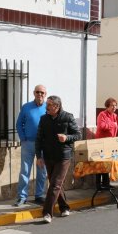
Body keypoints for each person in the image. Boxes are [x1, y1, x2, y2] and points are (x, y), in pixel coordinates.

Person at [35, 96, 81, 224]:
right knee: (56, 183)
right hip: (49, 156)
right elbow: (39, 139)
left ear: (57, 106)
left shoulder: (68, 117)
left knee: (54, 184)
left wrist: (66, 138)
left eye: (49, 105)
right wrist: (39, 156)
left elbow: (78, 135)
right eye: (47, 104)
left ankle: (47, 213)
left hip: (63, 156)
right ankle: (64, 207)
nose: (47, 107)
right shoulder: (44, 119)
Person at [14, 85, 48, 206]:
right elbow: (19, 124)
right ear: (34, 93)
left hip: (43, 145)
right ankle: (22, 196)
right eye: (38, 92)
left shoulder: (48, 108)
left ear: (45, 94)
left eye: (42, 92)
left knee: (42, 171)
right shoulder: (26, 107)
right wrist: (23, 139)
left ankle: (39, 195)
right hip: (28, 143)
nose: (40, 94)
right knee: (25, 170)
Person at [96, 97, 118, 189]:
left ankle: (106, 183)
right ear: (107, 106)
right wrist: (113, 125)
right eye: (112, 106)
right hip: (101, 142)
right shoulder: (102, 114)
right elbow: (101, 126)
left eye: (115, 106)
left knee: (107, 163)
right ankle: (98, 185)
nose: (114, 107)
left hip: (110, 142)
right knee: (100, 164)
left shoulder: (115, 116)